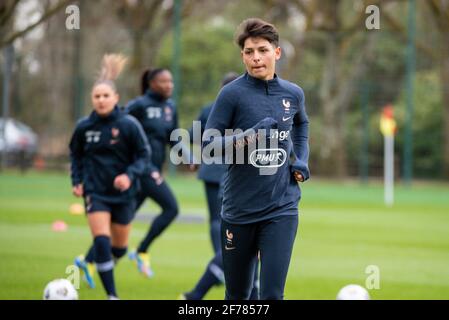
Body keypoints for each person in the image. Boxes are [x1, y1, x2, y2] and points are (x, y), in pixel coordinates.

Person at [202, 18, 310, 300]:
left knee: (272, 296)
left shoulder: (293, 93)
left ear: (277, 52)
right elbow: (209, 145)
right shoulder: (231, 94)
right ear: (242, 56)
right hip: (239, 210)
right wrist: (250, 135)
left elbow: (301, 125)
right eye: (249, 52)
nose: (256, 57)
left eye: (262, 50)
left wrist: (301, 159)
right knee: (238, 296)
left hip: (282, 207)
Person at [69, 54, 151, 299]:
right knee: (102, 243)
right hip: (96, 193)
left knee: (119, 248)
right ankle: (112, 295)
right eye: (97, 96)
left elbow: (144, 155)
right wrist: (77, 181)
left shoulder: (129, 125)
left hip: (125, 195)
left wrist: (129, 175)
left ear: (116, 98)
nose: (101, 100)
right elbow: (75, 155)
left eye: (106, 96)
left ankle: (95, 267)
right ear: (92, 100)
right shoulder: (84, 127)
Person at [181, 73, 259, 300]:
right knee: (241, 234)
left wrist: (190, 156)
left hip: (211, 171)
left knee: (217, 220)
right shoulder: (248, 107)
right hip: (234, 175)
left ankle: (221, 264)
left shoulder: (209, 109)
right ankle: (222, 264)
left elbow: (193, 136)